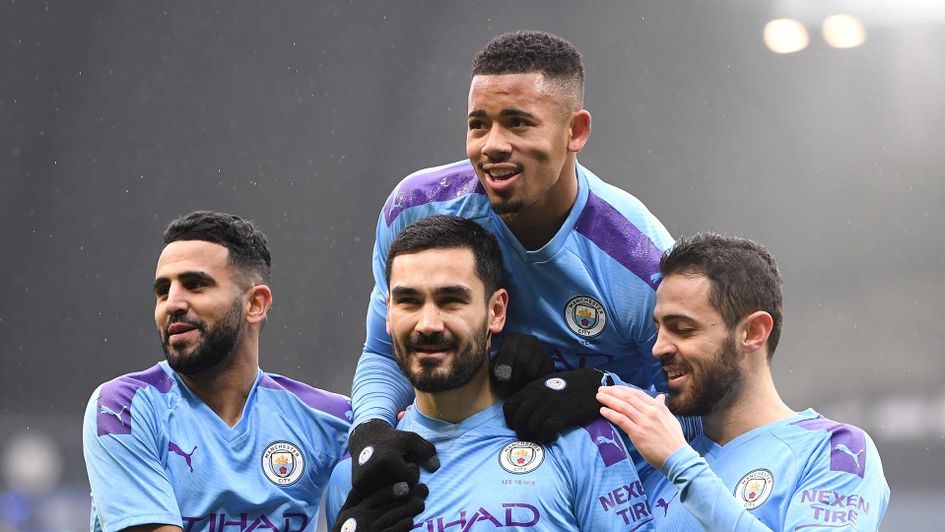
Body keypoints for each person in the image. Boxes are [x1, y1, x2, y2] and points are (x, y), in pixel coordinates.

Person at [349, 30, 679, 497]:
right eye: (478, 124)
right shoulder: (415, 209)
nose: (492, 145)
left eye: (519, 123)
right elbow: (384, 350)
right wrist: (371, 430)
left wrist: (600, 393)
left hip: (614, 487)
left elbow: (695, 406)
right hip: (469, 478)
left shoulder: (637, 260)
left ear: (575, 131)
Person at [328, 215, 654, 532]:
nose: (427, 324)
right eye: (409, 302)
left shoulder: (579, 440)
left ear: (496, 311)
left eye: (451, 301)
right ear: (387, 313)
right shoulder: (358, 478)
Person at [597, 232, 890, 530]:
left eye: (683, 329)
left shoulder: (832, 450)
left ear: (753, 332)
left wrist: (681, 463)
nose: (658, 348)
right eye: (658, 329)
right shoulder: (651, 453)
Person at [82, 211, 351, 532]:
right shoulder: (122, 408)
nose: (172, 303)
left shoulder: (335, 420)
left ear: (255, 304)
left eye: (195, 285)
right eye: (163, 291)